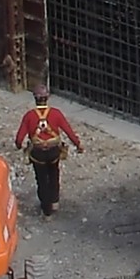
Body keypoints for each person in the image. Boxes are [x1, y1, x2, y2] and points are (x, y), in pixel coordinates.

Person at [13, 85, 83, 217]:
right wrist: (78, 144)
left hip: (37, 153)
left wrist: (18, 146)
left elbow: (19, 138)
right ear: (47, 97)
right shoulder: (56, 113)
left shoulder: (29, 116)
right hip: (53, 151)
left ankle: (46, 208)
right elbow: (68, 131)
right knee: (54, 175)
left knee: (41, 178)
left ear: (35, 99)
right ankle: (54, 201)